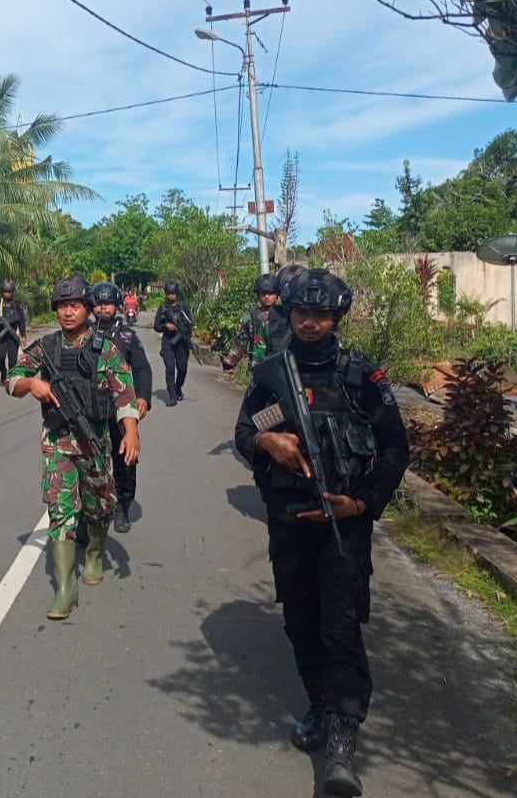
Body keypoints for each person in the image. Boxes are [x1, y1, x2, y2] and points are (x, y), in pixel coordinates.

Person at [234, 268, 410, 797]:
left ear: (336, 318)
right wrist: (269, 445)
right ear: (286, 313)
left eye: (321, 315)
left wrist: (363, 502)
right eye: (301, 313)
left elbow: (396, 449)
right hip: (289, 522)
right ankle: (317, 701)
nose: (310, 323)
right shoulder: (270, 375)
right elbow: (245, 432)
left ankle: (341, 738)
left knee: (341, 625)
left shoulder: (362, 377)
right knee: (300, 618)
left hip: (345, 525)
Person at [6, 276, 140, 620]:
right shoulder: (45, 348)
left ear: (87, 309)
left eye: (75, 305)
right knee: (60, 510)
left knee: (100, 506)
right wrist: (29, 382)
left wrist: (130, 432)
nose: (68, 312)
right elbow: (12, 379)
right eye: (62, 306)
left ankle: (95, 553)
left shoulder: (103, 348)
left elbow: (124, 392)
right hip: (57, 443)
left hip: (94, 442)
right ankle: (66, 588)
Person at [89, 282, 152, 533]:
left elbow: (141, 368)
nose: (103, 308)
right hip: (91, 409)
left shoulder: (127, 336)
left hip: (121, 409)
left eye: (108, 303)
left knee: (125, 462)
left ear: (116, 306)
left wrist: (144, 397)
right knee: (90, 461)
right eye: (99, 303)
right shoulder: (83, 333)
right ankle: (89, 511)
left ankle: (122, 507)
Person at [222, 273, 289, 373]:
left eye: (270, 293)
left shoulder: (286, 315)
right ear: (258, 295)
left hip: (282, 370)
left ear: (277, 294)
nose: (267, 296)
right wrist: (230, 363)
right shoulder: (249, 318)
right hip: (258, 370)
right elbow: (240, 345)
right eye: (263, 293)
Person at [153, 281, 193, 407]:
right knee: (170, 368)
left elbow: (190, 324)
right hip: (168, 343)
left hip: (182, 342)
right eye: (169, 293)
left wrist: (186, 336)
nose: (171, 296)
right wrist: (166, 325)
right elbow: (156, 326)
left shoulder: (184, 307)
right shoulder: (163, 308)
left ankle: (178, 388)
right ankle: (172, 396)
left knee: (182, 369)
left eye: (173, 293)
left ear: (177, 294)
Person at [0, 279, 27, 385]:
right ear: (2, 292)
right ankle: (3, 372)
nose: (7, 293)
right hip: (1, 336)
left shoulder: (17, 305)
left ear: (13, 292)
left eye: (9, 291)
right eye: (5, 291)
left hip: (13, 337)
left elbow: (21, 321)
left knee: (13, 360)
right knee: (0, 357)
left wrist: (23, 336)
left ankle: (9, 377)